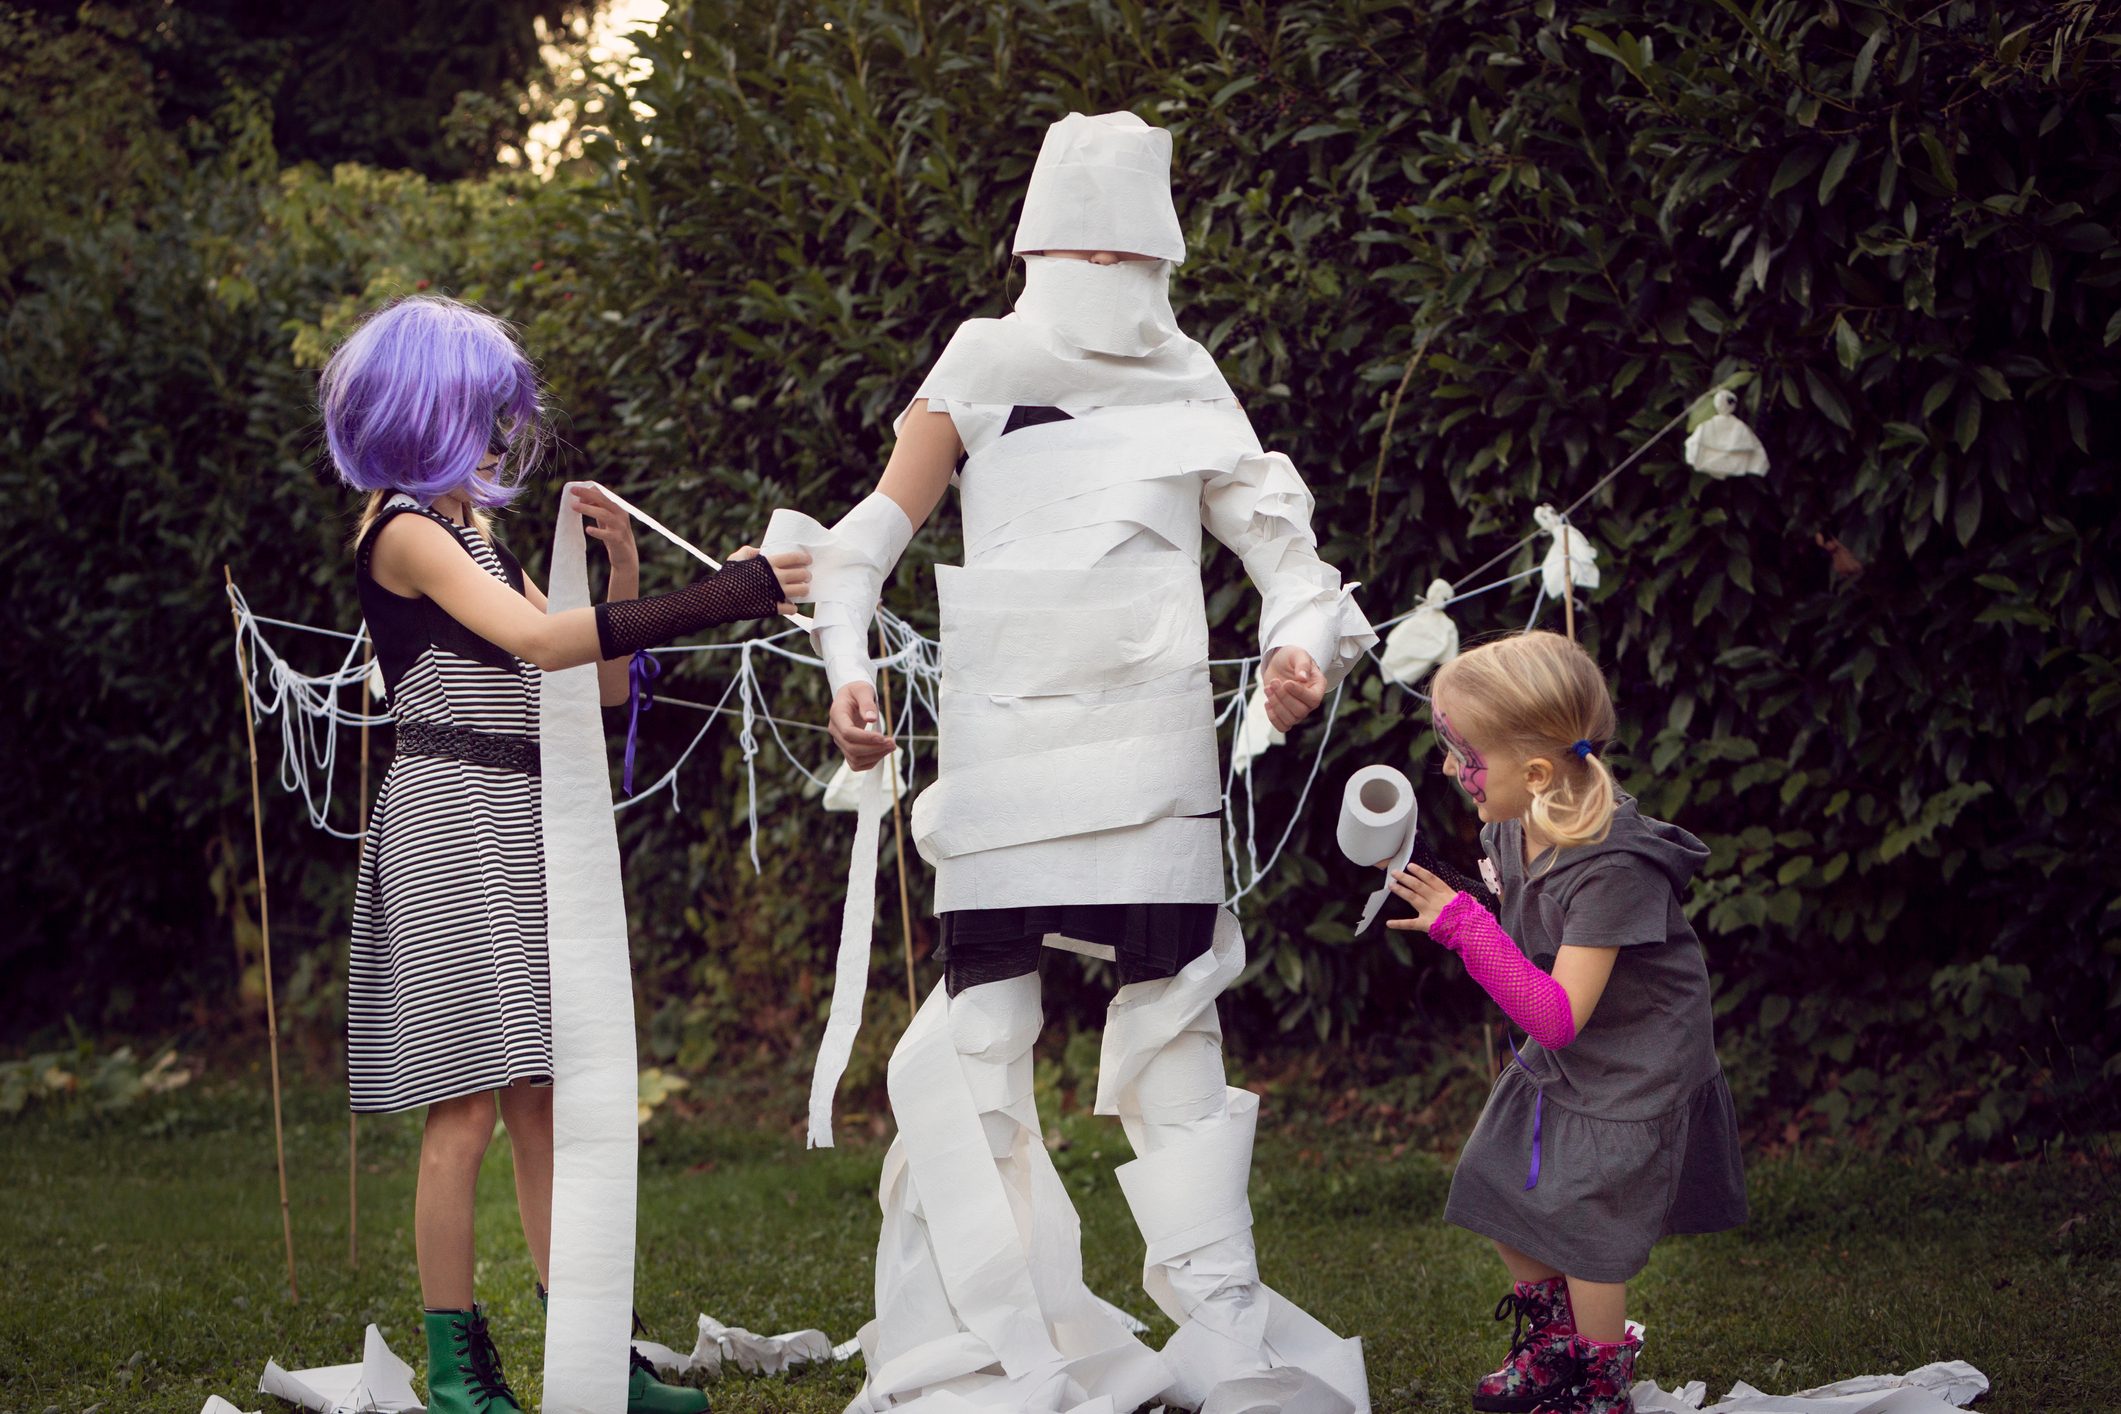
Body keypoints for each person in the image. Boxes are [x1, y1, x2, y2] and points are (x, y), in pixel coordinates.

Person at [770, 112, 1375, 1413]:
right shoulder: (986, 356)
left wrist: (1297, 646)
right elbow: (868, 538)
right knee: (980, 1038)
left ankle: (1223, 1330)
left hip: (1153, 770)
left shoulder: (1184, 370)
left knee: (1175, 1038)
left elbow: (1284, 549)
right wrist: (849, 671)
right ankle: (994, 1334)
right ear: (1048, 238)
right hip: (1006, 769)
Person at [325, 295, 808, 1414]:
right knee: (469, 1106)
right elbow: (544, 640)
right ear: (429, 408)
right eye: (483, 409)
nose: (498, 433)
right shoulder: (400, 528)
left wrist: (630, 574)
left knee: (541, 1095)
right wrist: (728, 592)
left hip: (514, 813)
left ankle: (589, 1360)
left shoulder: (471, 533)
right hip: (450, 815)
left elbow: (582, 681)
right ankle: (457, 1376)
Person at [1381, 631, 1747, 1414]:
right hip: (1572, 1056)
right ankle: (1552, 1349)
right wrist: (1465, 912)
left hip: (1634, 1065)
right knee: (1493, 1182)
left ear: (1537, 772)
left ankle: (1598, 1383)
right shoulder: (1510, 830)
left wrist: (1467, 929)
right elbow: (1527, 955)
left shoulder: (1611, 867)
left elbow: (1551, 1016)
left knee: (1587, 1230)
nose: (1451, 769)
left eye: (1463, 752)